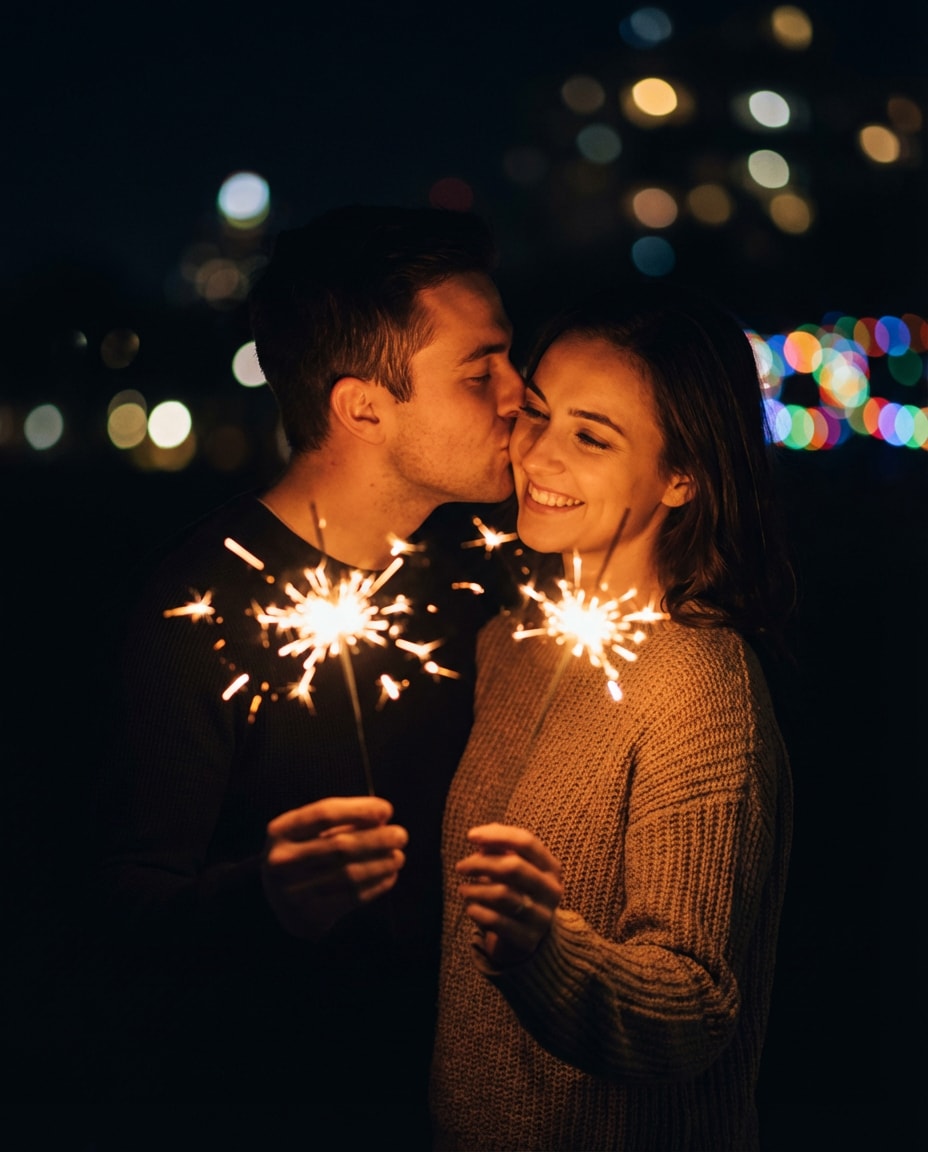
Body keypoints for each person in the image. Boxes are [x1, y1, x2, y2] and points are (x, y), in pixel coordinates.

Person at [87, 205, 524, 1150]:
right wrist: (265, 899)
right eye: (480, 370)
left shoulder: (485, 566)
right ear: (363, 406)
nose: (519, 395)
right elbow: (118, 915)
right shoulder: (196, 609)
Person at [430, 283, 795, 1151]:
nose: (538, 457)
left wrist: (542, 948)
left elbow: (695, 1008)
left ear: (683, 477)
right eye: (540, 416)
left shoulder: (701, 694)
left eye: (591, 438)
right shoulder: (509, 643)